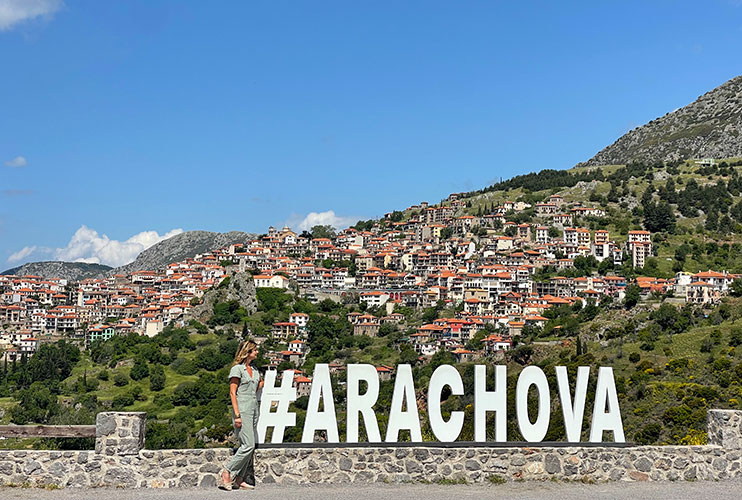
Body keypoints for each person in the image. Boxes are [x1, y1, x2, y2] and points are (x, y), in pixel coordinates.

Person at [219, 340, 263, 490]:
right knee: (248, 445)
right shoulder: (237, 369)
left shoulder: (255, 370)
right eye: (255, 350)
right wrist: (237, 415)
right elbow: (233, 392)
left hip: (254, 409)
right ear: (247, 352)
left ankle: (239, 479)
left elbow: (255, 387)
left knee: (250, 446)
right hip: (242, 410)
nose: (257, 352)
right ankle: (227, 471)